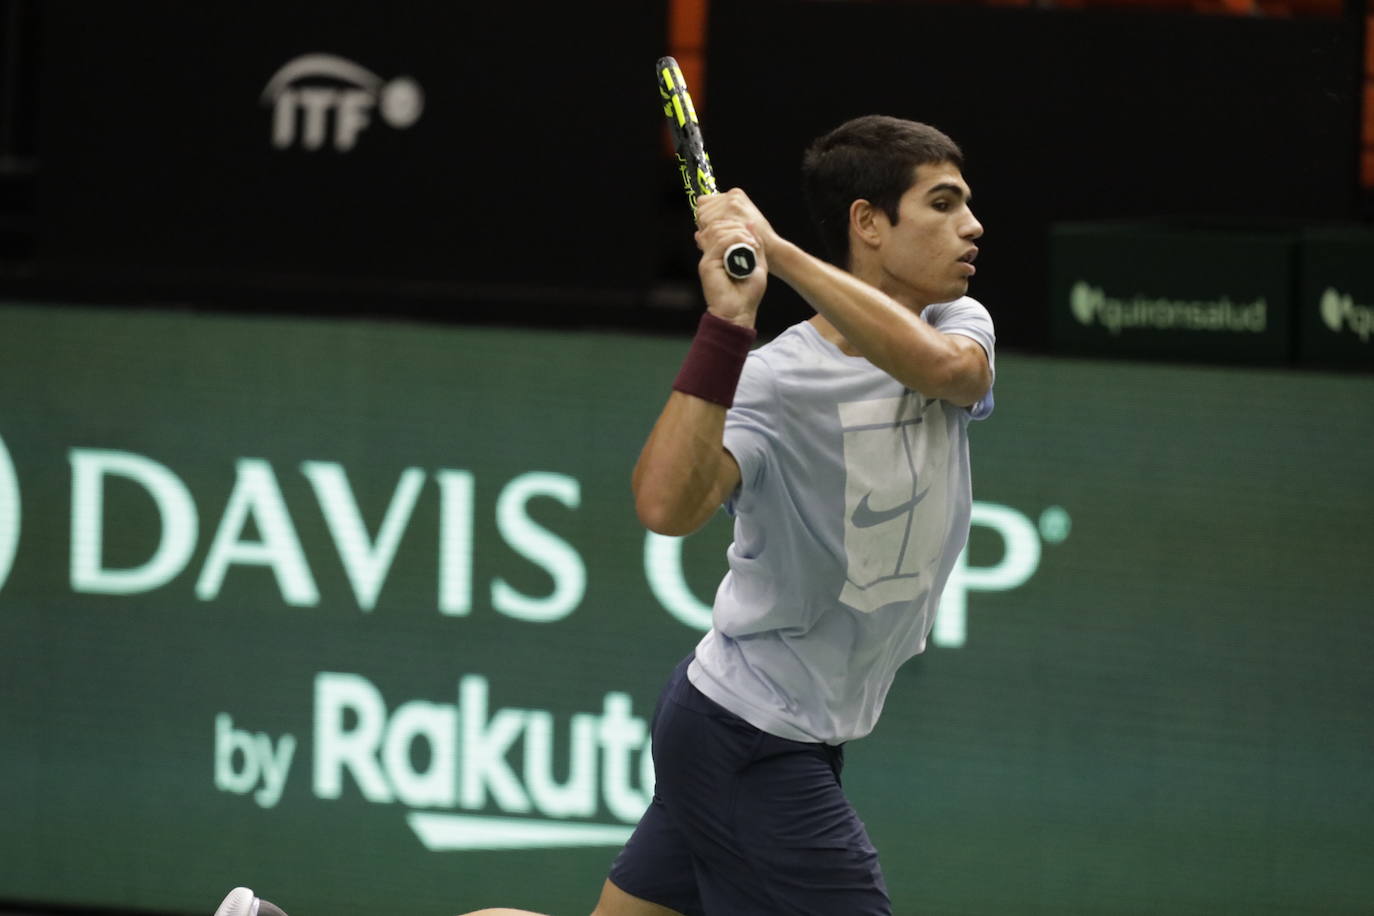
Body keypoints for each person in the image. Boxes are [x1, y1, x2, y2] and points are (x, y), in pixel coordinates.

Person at [214, 113, 992, 916]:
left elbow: (945, 374)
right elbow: (664, 505)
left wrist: (780, 253)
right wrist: (728, 324)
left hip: (777, 732)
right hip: (752, 738)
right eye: (942, 204)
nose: (972, 225)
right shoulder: (775, 383)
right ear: (868, 224)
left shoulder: (958, 326)